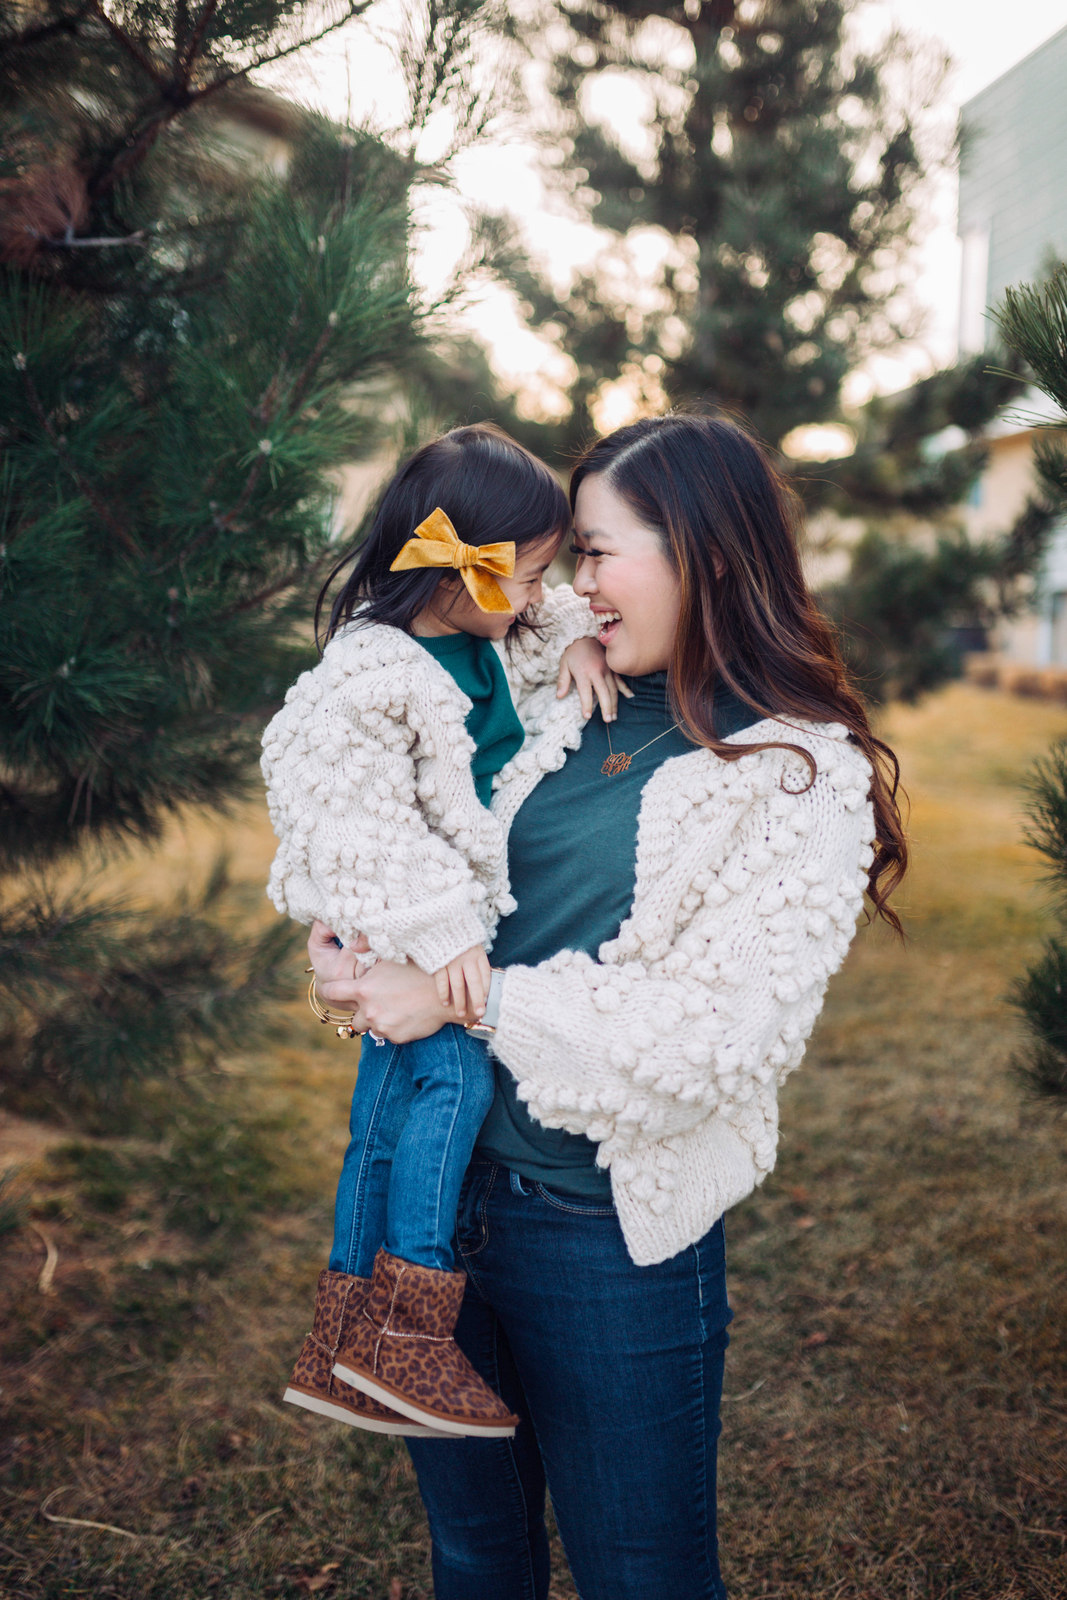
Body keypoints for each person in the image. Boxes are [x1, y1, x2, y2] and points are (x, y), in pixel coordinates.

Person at [308, 411, 908, 1600]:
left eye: (593, 553)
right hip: (432, 1201)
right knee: (476, 1557)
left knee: (643, 1574)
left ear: (706, 554)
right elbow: (401, 822)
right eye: (567, 558)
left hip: (601, 1234)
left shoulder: (795, 773)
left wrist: (454, 1004)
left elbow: (714, 1038)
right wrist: (350, 959)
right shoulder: (542, 694)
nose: (567, 586)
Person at [262, 423, 623, 1441]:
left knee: (383, 1113)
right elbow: (359, 813)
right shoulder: (371, 674)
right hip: (403, 914)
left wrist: (585, 641)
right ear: (465, 565)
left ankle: (349, 1334)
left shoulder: (483, 628)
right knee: (448, 1083)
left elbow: (543, 623)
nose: (554, 590)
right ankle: (405, 1323)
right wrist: (438, 930)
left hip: (433, 922)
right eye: (539, 567)